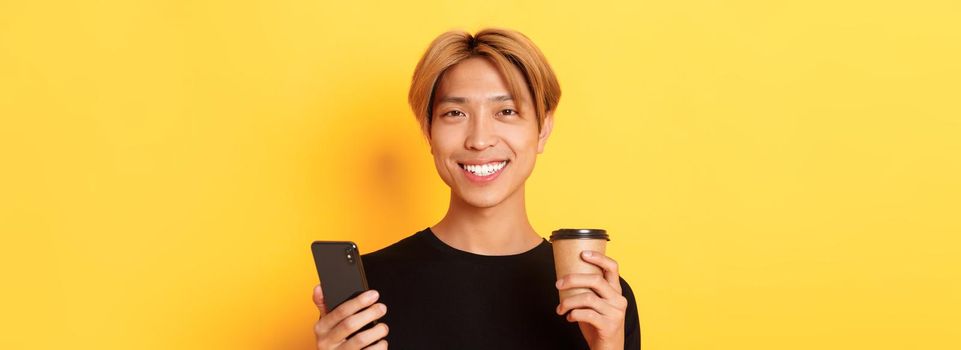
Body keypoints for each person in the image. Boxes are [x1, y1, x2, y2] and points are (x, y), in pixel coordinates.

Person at [312, 28, 641, 349]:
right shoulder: (367, 293)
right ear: (428, 130)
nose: (480, 139)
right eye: (455, 113)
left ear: (543, 129)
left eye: (507, 111)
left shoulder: (600, 300)